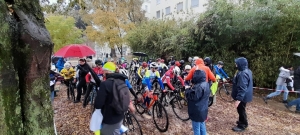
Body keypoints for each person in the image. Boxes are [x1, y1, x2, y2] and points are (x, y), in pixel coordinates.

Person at [93, 62, 134, 135]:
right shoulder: (122, 81)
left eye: (104, 70)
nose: (103, 72)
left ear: (107, 71)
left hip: (109, 119)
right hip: (120, 116)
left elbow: (98, 104)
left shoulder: (105, 84)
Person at [184, 58, 216, 135]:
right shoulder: (207, 69)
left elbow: (188, 78)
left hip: (197, 110)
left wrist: (187, 89)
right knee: (202, 123)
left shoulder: (194, 68)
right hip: (203, 105)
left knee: (196, 127)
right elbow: (213, 79)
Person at [231, 57, 253, 132]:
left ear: (240, 64)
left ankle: (243, 125)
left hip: (243, 96)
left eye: (236, 63)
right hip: (244, 95)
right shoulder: (245, 71)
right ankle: (241, 121)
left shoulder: (243, 73)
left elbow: (242, 87)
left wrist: (238, 99)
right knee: (241, 109)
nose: (235, 64)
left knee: (241, 110)